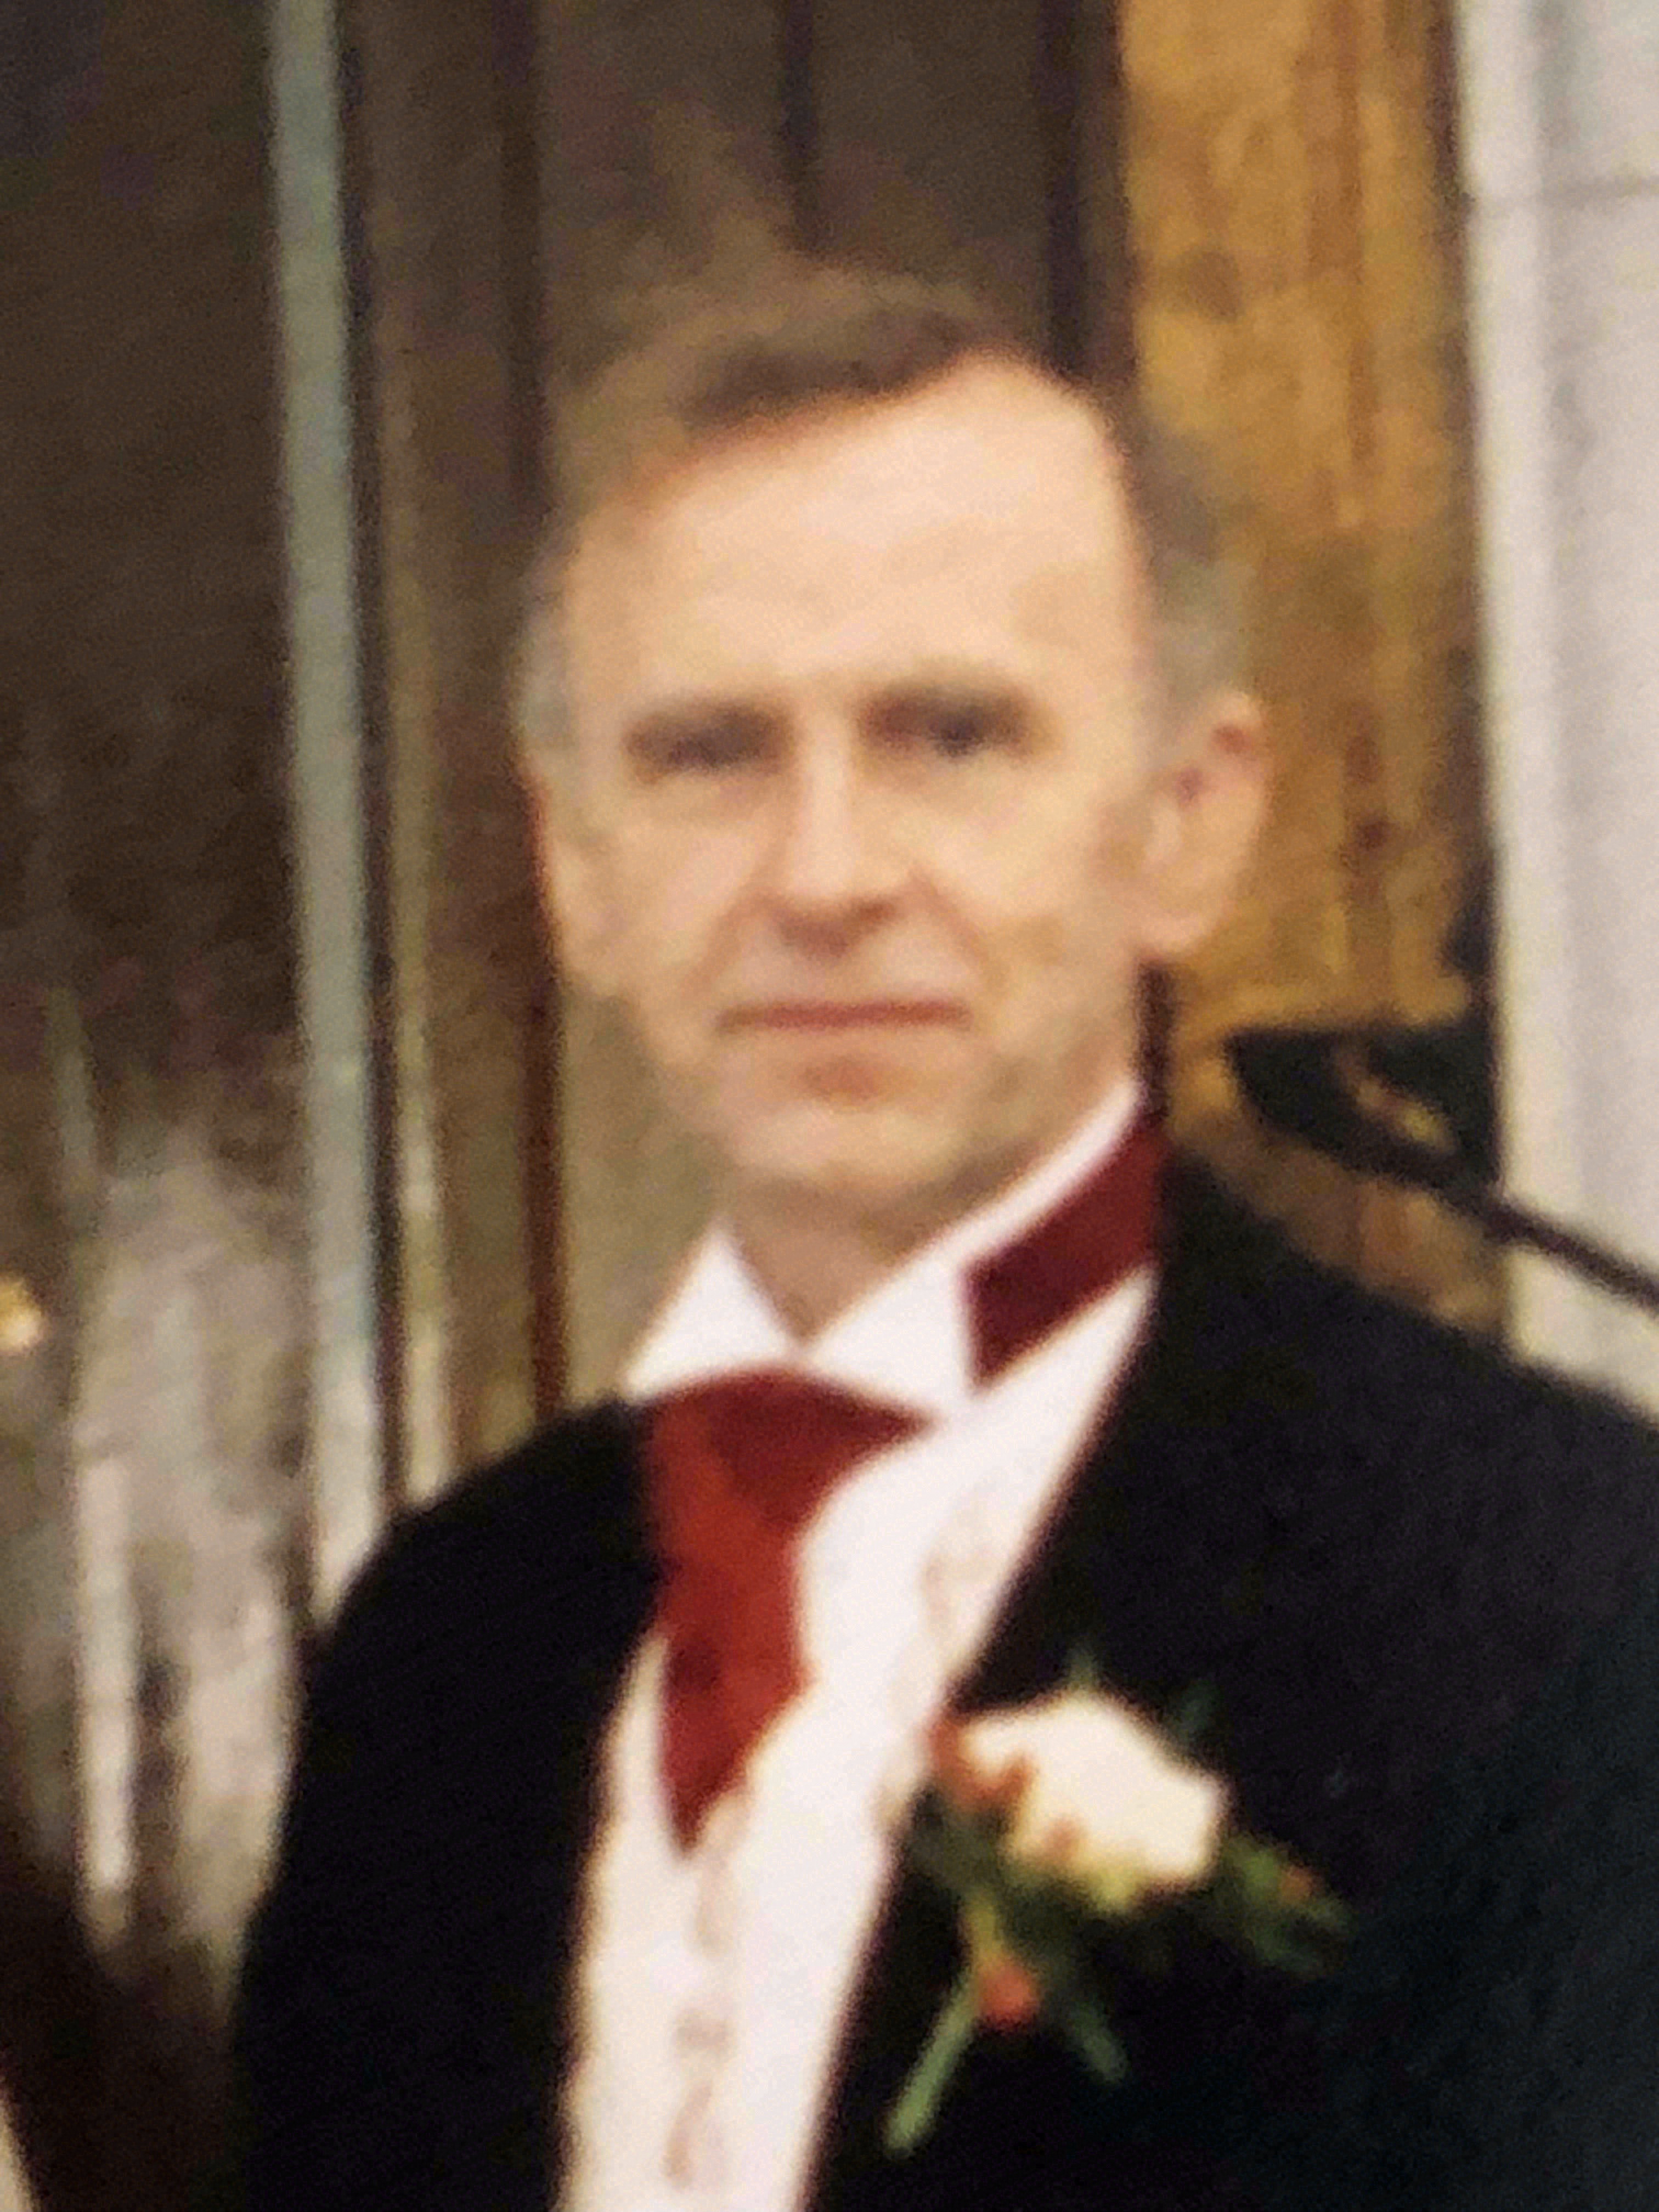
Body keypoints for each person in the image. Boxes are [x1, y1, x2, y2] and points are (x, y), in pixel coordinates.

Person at [233, 263, 1659, 2212]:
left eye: (952, 736)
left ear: (1185, 822)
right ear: (574, 866)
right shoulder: (444, 1639)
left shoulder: (1567, 1592)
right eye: (708, 754)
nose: (824, 878)